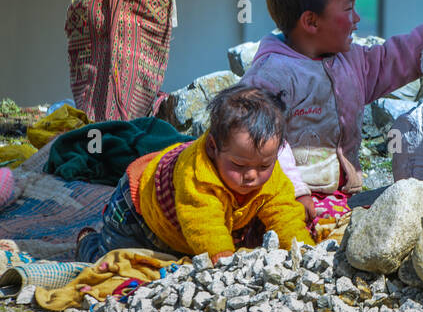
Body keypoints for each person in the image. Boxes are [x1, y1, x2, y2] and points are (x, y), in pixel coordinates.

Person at [241, 0, 423, 226]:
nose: (357, 18)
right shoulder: (274, 74)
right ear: (311, 21)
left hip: (339, 196)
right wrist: (296, 191)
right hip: (289, 198)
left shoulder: (350, 61)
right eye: (348, 9)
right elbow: (264, 139)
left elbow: (395, 59)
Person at [76, 85, 313, 263]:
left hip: (180, 226)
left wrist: (304, 251)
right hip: (136, 213)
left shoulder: (271, 174)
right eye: (239, 166)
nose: (251, 175)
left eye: (263, 166)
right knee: (111, 261)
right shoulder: (197, 175)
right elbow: (204, 226)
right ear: (212, 147)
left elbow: (285, 214)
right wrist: (225, 262)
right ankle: (88, 242)